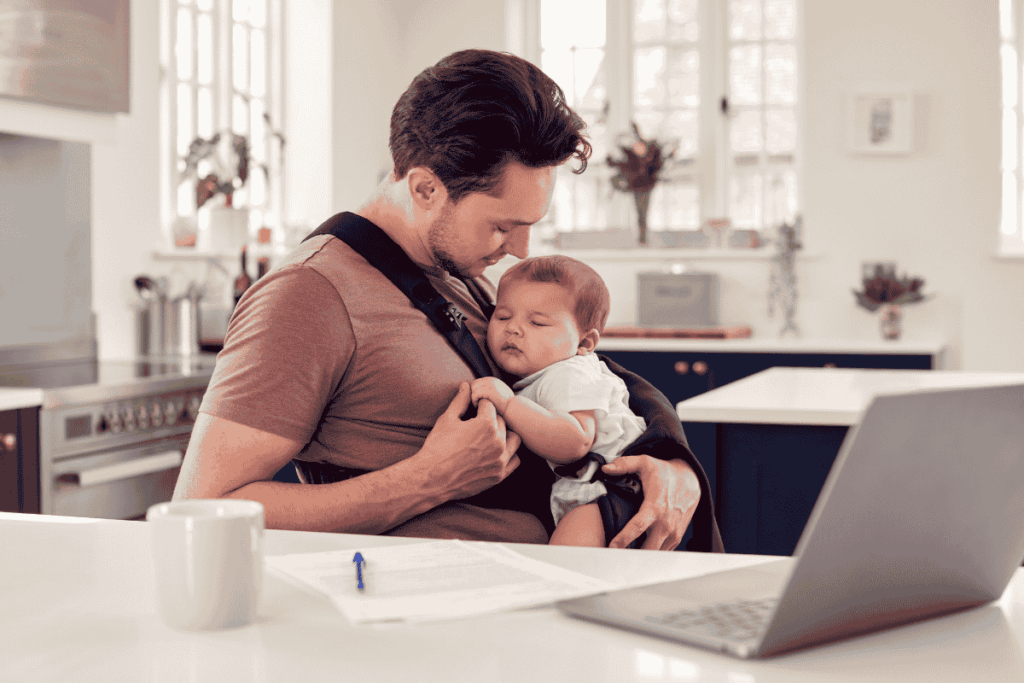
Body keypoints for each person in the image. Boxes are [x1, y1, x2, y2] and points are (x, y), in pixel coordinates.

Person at [173, 48, 723, 552]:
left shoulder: (457, 272)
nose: (518, 251)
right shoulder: (307, 295)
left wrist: (671, 461)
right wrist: (424, 481)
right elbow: (202, 509)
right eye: (503, 226)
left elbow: (585, 372)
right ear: (426, 189)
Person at [470, 255, 647, 548]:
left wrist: (508, 404)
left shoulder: (567, 373)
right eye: (502, 316)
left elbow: (573, 440)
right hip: (594, 489)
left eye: (537, 322)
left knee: (565, 568)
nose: (513, 328)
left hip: (609, 492)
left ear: (584, 344)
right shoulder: (547, 371)